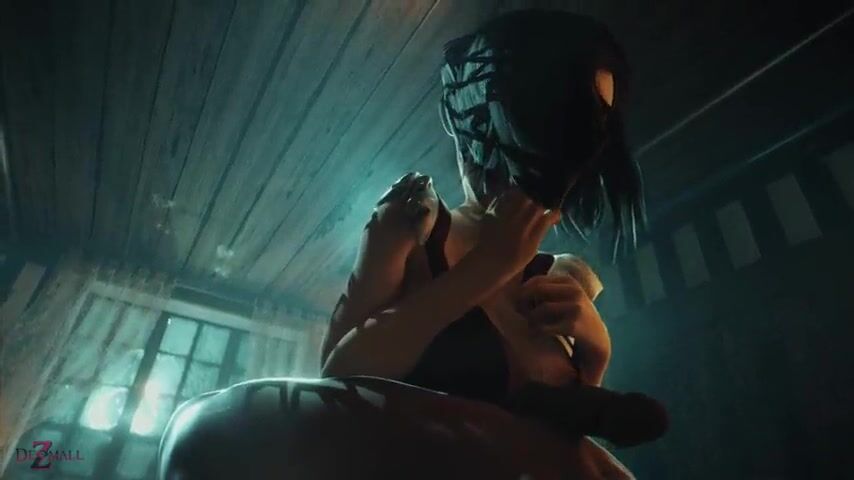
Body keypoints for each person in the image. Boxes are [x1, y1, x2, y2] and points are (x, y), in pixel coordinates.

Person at [320, 9, 667, 449]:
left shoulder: (561, 276)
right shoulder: (411, 223)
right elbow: (334, 382)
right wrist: (483, 269)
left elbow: (556, 439)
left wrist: (595, 354)